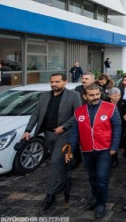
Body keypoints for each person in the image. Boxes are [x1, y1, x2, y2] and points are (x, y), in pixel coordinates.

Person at [22, 73, 82, 209]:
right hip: (48, 134)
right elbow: (36, 113)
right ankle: (61, 179)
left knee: (55, 161)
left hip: (64, 134)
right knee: (58, 162)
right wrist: (28, 130)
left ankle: (51, 193)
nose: (54, 84)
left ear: (65, 82)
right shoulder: (44, 96)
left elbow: (78, 114)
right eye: (52, 81)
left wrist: (64, 126)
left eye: (57, 81)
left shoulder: (73, 96)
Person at [65, 84, 122, 219]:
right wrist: (71, 150)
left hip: (105, 149)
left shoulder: (110, 108)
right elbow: (75, 132)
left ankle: (101, 204)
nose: (95, 97)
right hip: (87, 149)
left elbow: (117, 127)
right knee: (92, 177)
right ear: (85, 96)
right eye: (91, 95)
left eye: (97, 94)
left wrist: (114, 146)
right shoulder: (79, 111)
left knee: (102, 177)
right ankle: (96, 198)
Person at [108, 87, 126, 168]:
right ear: (110, 96)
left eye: (118, 95)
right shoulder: (105, 102)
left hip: (120, 124)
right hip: (108, 125)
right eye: (115, 96)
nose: (117, 97)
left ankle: (114, 159)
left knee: (116, 141)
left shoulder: (124, 102)